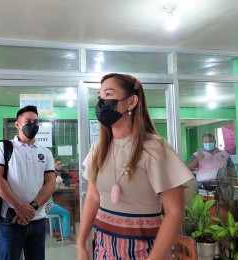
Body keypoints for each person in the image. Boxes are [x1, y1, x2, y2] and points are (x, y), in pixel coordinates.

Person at [77, 73, 193, 259]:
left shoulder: (154, 148)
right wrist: (81, 244)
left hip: (143, 251)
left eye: (108, 95)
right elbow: (92, 197)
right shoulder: (98, 147)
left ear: (131, 102)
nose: (101, 103)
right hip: (104, 249)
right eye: (100, 97)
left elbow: (175, 212)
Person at [0, 105, 55, 260]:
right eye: (28, 121)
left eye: (36, 121)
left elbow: (50, 184)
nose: (32, 125)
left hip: (37, 220)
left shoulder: (45, 152)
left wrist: (31, 208)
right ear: (18, 124)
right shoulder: (4, 147)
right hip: (11, 220)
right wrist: (18, 206)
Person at [45, 173, 76, 243]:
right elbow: (53, 188)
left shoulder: (42, 181)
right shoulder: (47, 182)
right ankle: (66, 235)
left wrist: (57, 183)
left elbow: (53, 188)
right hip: (48, 207)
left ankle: (57, 231)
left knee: (57, 213)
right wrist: (57, 183)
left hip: (43, 207)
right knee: (66, 213)